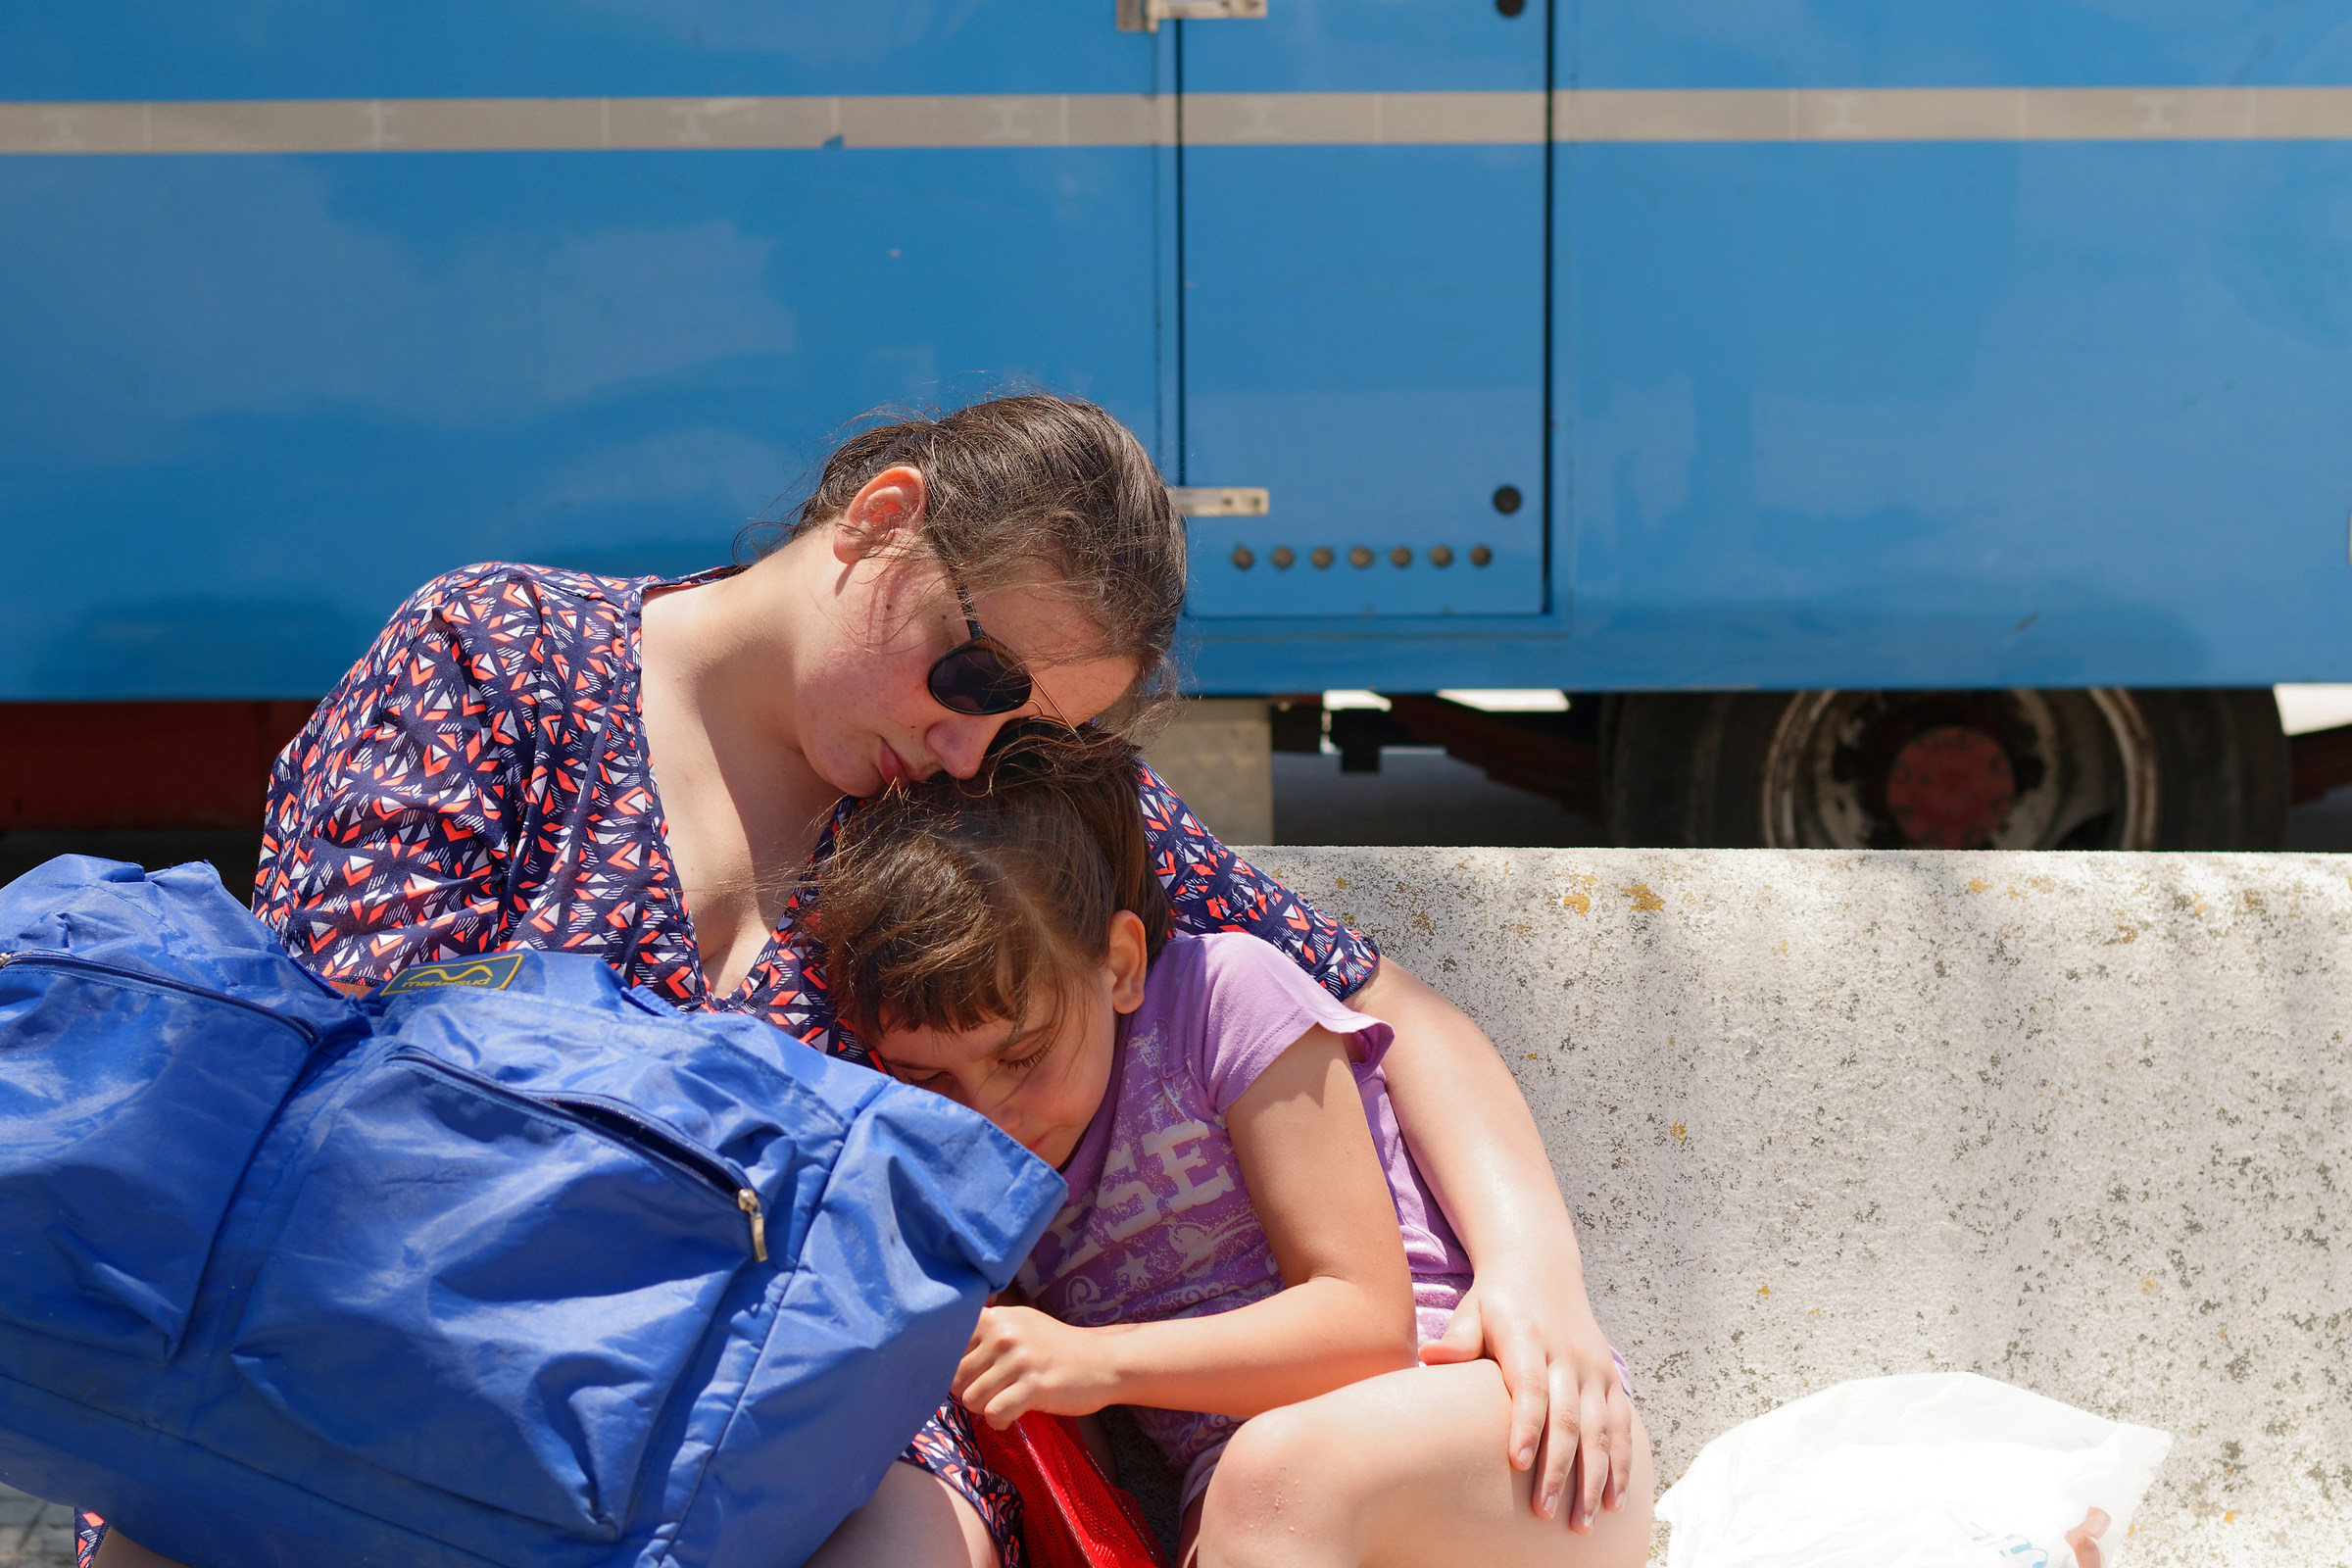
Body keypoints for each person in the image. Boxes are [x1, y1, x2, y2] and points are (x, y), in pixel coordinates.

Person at [82, 395, 1631, 1568]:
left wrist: (1535, 1284)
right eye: (973, 680)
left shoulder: (997, 805)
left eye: (1021, 729)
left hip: (786, 1426)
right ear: (884, 520)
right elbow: (338, 1057)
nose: (972, 746)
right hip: (409, 1339)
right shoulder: (498, 659)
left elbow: (1389, 1009)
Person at [810, 725, 1653, 1568]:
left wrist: (1096, 1360)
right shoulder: (961, 1173)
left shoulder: (1224, 1002)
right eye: (932, 1080)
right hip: (1258, 1501)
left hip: (1508, 1432)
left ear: (1120, 964)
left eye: (1022, 1055)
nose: (988, 1115)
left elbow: (1368, 1327)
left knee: (1267, 1478)